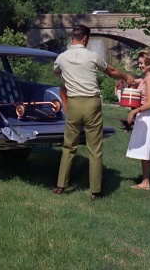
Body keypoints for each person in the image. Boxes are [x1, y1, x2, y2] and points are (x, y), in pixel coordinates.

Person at [51, 24, 131, 200]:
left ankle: (61, 186)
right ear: (86, 38)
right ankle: (95, 191)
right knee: (94, 148)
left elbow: (57, 72)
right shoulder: (93, 56)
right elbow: (111, 71)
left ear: (73, 37)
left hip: (73, 104)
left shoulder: (62, 58)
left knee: (69, 146)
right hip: (92, 103)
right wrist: (126, 77)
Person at [125, 49, 150, 190]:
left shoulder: (148, 80)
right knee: (149, 149)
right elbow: (137, 81)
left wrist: (134, 111)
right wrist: (127, 78)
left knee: (143, 150)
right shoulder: (149, 79)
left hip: (147, 115)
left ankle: (145, 182)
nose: (140, 65)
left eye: (142, 63)